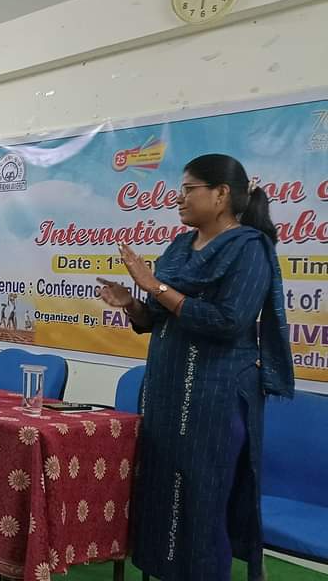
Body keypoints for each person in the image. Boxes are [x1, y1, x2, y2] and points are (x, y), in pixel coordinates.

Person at [97, 154, 294, 581]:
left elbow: (229, 321)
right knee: (162, 495)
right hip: (168, 393)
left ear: (221, 194)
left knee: (201, 503)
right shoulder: (180, 247)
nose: (179, 199)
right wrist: (132, 302)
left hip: (214, 399)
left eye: (189, 190)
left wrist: (155, 286)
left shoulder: (250, 250)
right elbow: (156, 317)